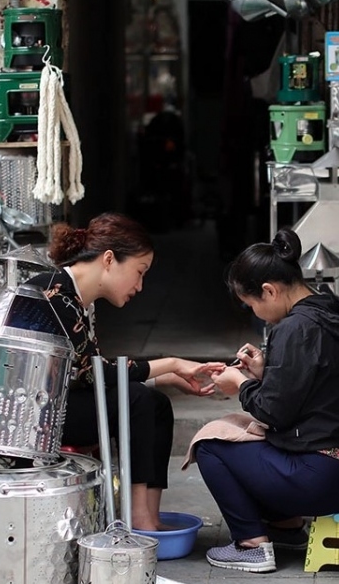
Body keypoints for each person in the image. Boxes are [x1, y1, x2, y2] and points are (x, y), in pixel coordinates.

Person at [29, 212, 224, 532]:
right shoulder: (55, 294)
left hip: (58, 402)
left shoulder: (74, 295)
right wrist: (171, 364)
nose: (140, 285)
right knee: (136, 400)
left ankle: (148, 515)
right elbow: (92, 373)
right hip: (35, 414)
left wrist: (164, 378)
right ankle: (138, 519)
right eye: (139, 271)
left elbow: (87, 370)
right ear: (109, 260)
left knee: (155, 402)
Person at [195, 229, 339, 573]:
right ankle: (286, 528)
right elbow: (318, 385)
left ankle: (252, 545)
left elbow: (274, 410)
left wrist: (241, 383)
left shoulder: (294, 328)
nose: (256, 313)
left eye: (252, 306)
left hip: (320, 481)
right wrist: (266, 371)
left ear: (269, 291)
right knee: (248, 437)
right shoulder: (336, 310)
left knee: (210, 444)